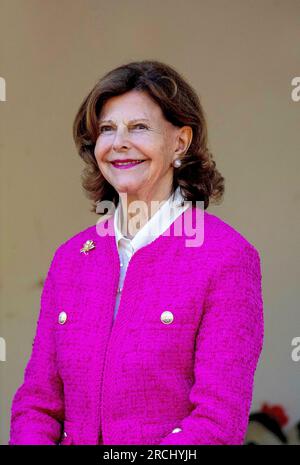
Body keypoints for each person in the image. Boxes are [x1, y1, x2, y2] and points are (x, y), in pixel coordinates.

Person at [9, 60, 264, 445]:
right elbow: (37, 404)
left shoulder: (225, 256)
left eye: (139, 127)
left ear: (181, 141)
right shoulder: (71, 258)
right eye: (107, 129)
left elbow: (217, 421)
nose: (119, 143)